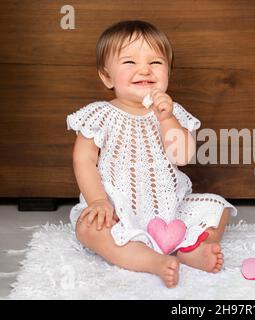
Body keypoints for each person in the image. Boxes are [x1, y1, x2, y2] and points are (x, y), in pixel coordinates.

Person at [66, 20, 237, 288]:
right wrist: (98, 201)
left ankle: (191, 249)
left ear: (168, 72)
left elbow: (182, 157)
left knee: (218, 208)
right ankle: (152, 261)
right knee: (89, 228)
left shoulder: (173, 113)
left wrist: (167, 119)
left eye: (156, 62)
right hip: (118, 210)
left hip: (169, 210)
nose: (144, 69)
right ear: (107, 77)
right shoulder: (100, 114)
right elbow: (83, 159)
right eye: (129, 62)